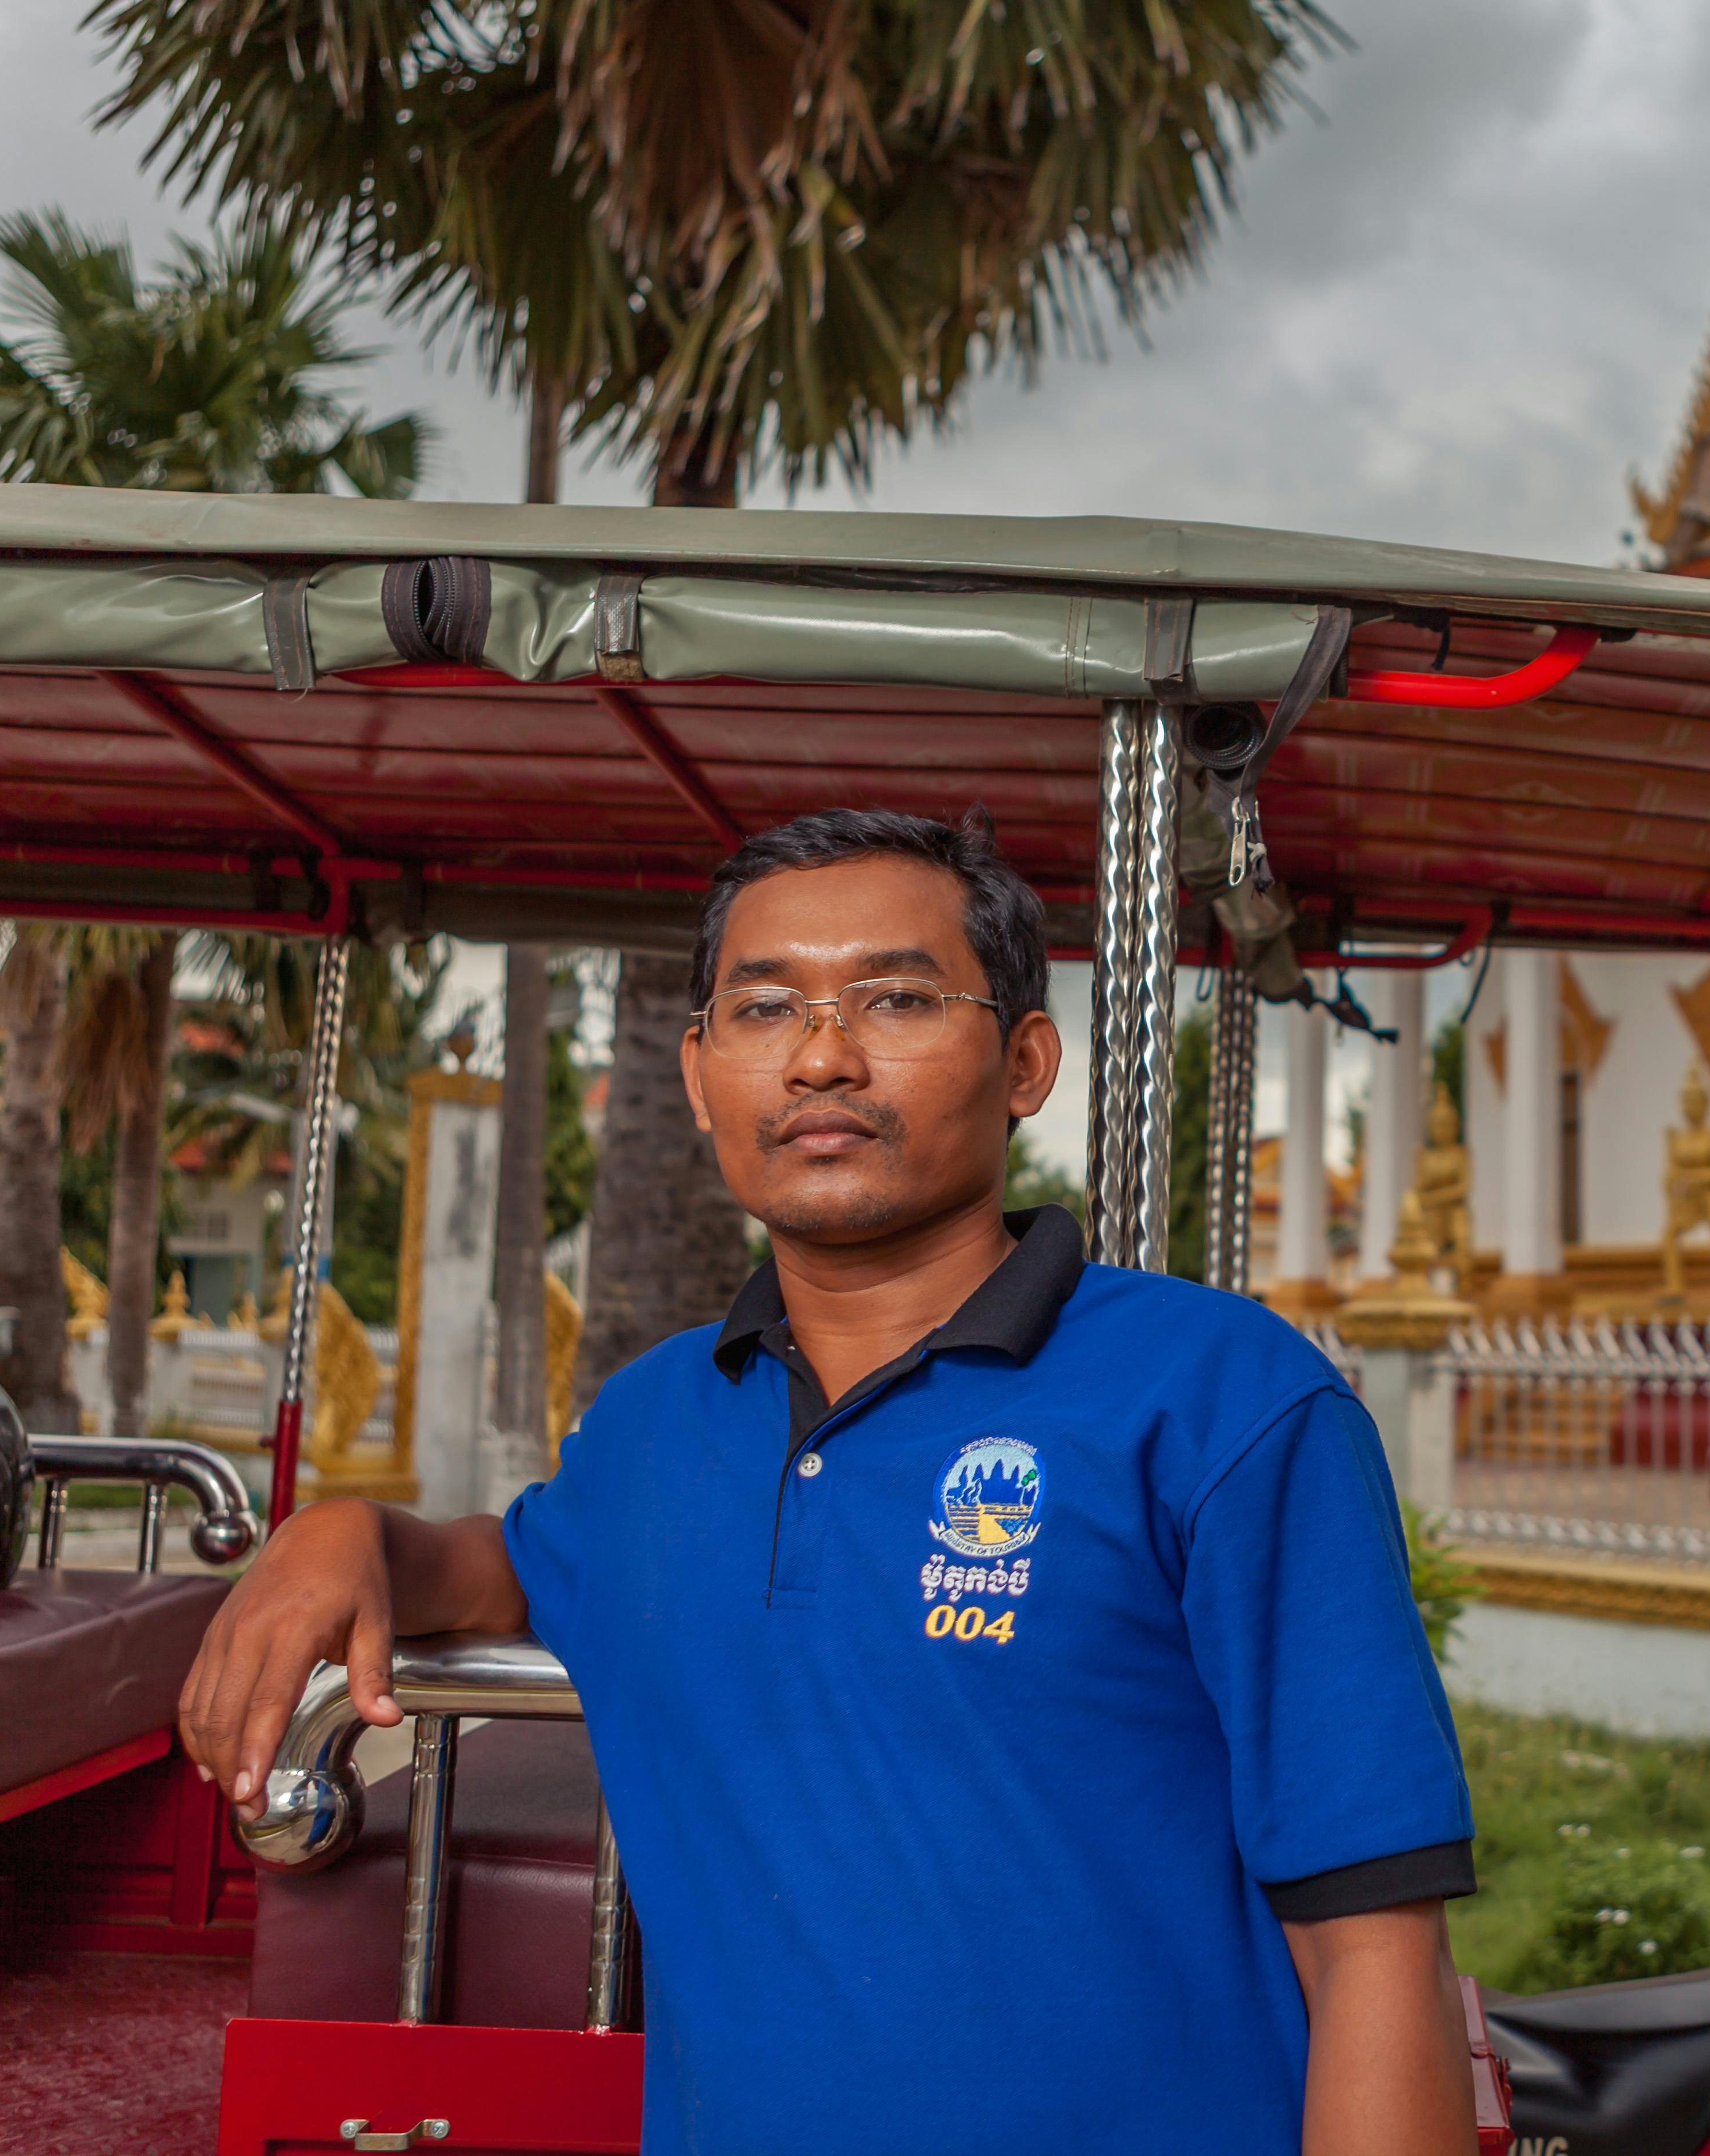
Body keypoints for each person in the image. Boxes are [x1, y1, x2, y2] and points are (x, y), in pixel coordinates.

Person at [181, 809, 1478, 2156]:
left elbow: (1373, 1951)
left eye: (898, 998)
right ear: (698, 1073)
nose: (821, 1056)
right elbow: (498, 1566)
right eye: (763, 1009)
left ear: (1027, 1059)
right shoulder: (656, 1425)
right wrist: (340, 1537)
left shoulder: (1224, 1405)